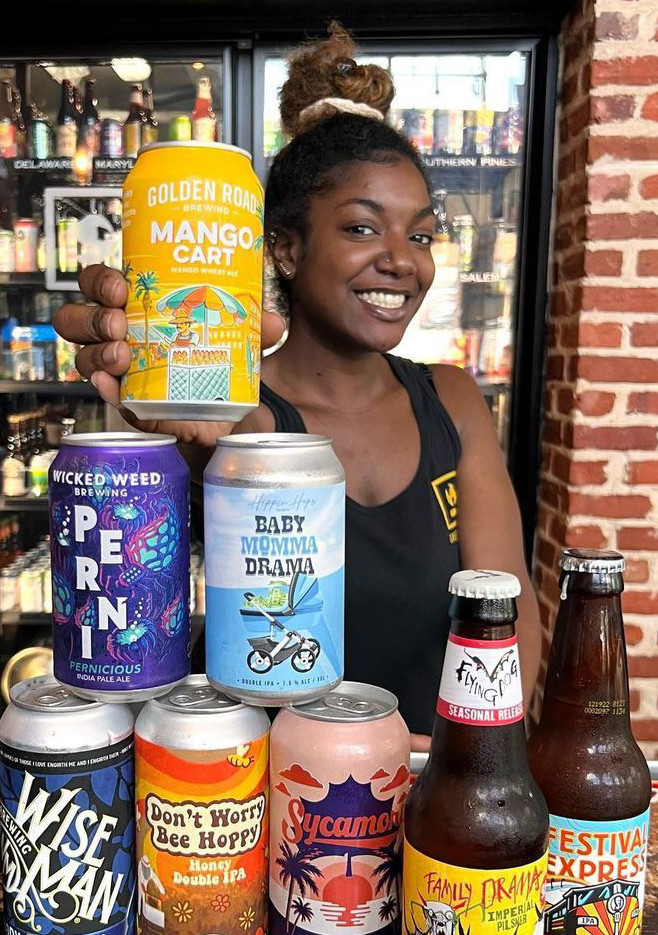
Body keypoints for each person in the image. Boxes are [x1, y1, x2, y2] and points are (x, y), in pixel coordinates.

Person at [54, 24, 539, 749]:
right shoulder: (231, 418)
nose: (403, 262)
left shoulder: (451, 399)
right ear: (283, 246)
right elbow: (126, 589)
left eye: (420, 236)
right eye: (361, 228)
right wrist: (146, 424)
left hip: (431, 787)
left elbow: (510, 615)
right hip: (246, 801)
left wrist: (477, 760)